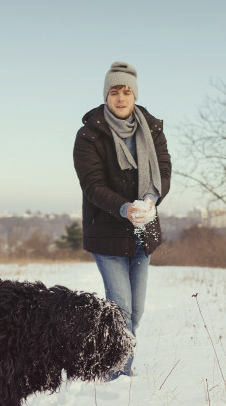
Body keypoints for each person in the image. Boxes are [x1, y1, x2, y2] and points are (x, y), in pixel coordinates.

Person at [73, 61, 171, 378]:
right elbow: (93, 186)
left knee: (136, 311)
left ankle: (113, 364)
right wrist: (125, 208)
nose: (120, 97)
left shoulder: (152, 130)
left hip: (144, 230)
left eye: (126, 91)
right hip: (107, 232)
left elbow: (164, 171)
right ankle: (118, 376)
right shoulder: (89, 135)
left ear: (134, 95)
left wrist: (150, 200)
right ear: (106, 96)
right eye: (114, 91)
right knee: (121, 309)